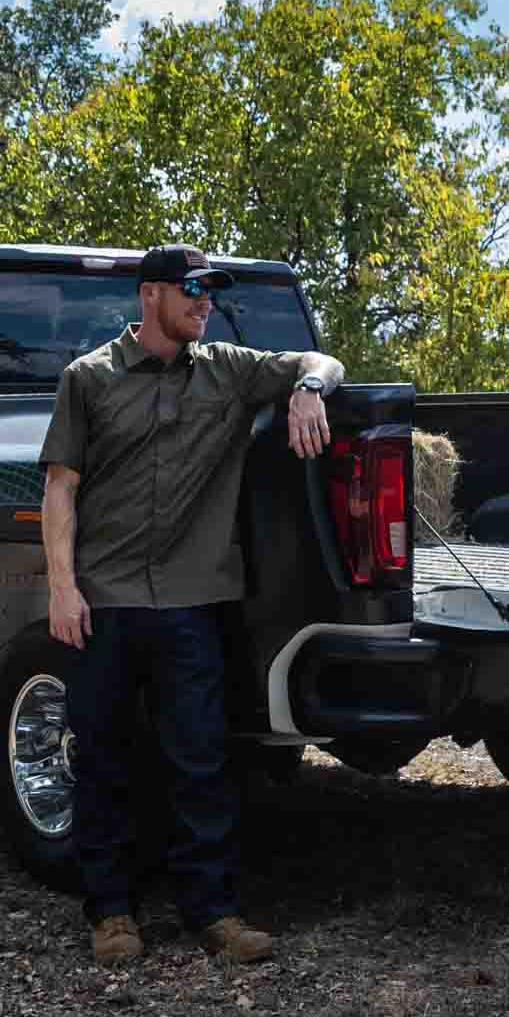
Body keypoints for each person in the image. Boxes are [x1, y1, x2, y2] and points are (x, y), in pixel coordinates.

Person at [39, 243, 345, 967]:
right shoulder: (89, 378)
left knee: (201, 762)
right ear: (151, 295)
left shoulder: (228, 370)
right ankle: (111, 912)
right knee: (103, 760)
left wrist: (309, 390)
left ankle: (214, 913)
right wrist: (62, 588)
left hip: (192, 603)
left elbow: (321, 360)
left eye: (211, 291)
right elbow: (60, 488)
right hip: (104, 601)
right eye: (192, 290)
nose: (205, 302)